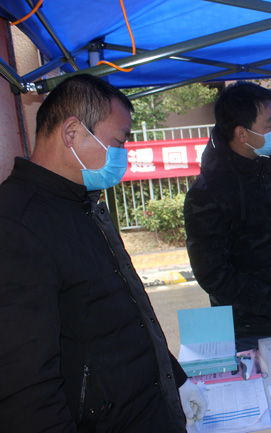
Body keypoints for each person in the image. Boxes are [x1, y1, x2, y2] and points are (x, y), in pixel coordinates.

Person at [0, 74, 206, 432]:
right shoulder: (15, 224)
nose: (123, 154)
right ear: (72, 132)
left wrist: (174, 377)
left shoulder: (82, 203)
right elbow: (26, 387)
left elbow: (127, 315)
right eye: (118, 142)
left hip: (147, 411)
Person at [184, 81, 271, 352]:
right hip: (247, 331)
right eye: (270, 124)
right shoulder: (208, 192)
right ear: (242, 134)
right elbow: (212, 272)